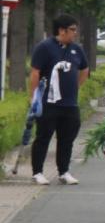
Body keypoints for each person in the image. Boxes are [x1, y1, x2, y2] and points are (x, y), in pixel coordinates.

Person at [29, 14, 90, 185]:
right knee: (43, 137)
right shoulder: (45, 47)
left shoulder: (76, 49)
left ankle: (63, 171)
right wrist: (34, 97)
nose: (75, 33)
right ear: (61, 30)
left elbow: (84, 69)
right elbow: (35, 72)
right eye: (72, 30)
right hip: (48, 103)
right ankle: (38, 172)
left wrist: (76, 86)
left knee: (67, 138)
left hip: (70, 104)